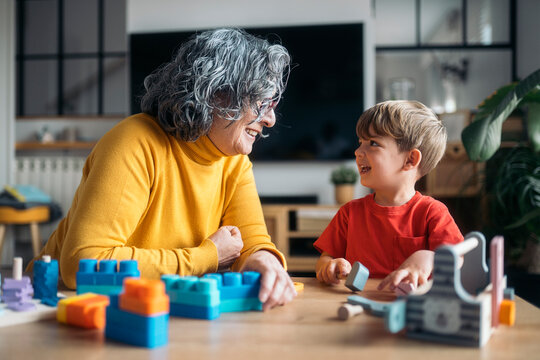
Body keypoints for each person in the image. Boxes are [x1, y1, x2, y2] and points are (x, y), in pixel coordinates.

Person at [29, 28, 296, 310]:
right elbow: (84, 263)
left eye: (272, 104)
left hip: (151, 308)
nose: (270, 119)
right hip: (56, 310)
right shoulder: (133, 142)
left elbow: (251, 242)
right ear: (217, 93)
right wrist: (207, 256)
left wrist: (264, 259)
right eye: (260, 102)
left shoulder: (234, 161)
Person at [314, 100, 463, 291]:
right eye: (360, 143)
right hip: (355, 303)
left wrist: (429, 257)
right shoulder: (349, 213)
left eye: (373, 143)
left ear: (410, 159)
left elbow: (457, 258)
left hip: (411, 308)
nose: (358, 151)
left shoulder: (432, 212)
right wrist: (329, 266)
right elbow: (324, 259)